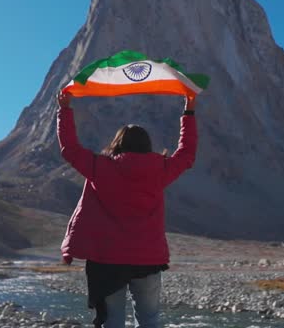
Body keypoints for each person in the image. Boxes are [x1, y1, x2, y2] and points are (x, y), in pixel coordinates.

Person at [56, 91, 198, 328]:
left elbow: (69, 149)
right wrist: (189, 111)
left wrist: (65, 109)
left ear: (117, 143)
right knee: (149, 319)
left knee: (112, 320)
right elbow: (186, 154)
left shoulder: (99, 167)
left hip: (107, 259)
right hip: (148, 258)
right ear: (147, 145)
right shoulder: (160, 170)